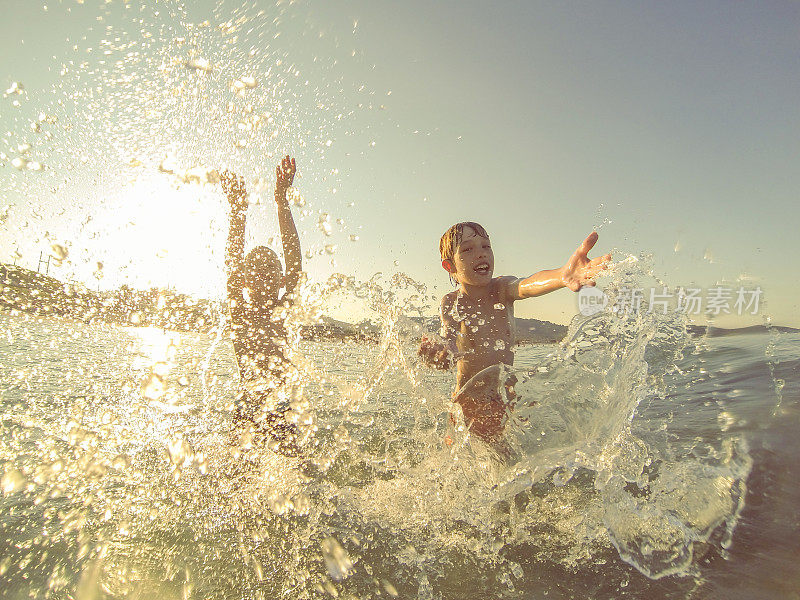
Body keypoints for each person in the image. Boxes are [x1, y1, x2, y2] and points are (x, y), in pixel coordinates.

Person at [419, 222, 610, 447]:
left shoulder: (501, 289)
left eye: (486, 246)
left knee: (510, 464)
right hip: (469, 404)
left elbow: (527, 285)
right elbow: (448, 338)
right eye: (467, 249)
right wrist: (441, 352)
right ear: (449, 266)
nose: (480, 254)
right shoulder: (452, 302)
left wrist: (561, 276)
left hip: (506, 400)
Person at [220, 155, 303, 456]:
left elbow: (294, 260)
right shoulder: (239, 313)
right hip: (246, 408)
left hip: (283, 407)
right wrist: (237, 211)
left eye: (270, 268)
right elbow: (232, 263)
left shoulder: (284, 312)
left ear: (281, 279)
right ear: (243, 280)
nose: (262, 273)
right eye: (253, 268)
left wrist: (282, 200)